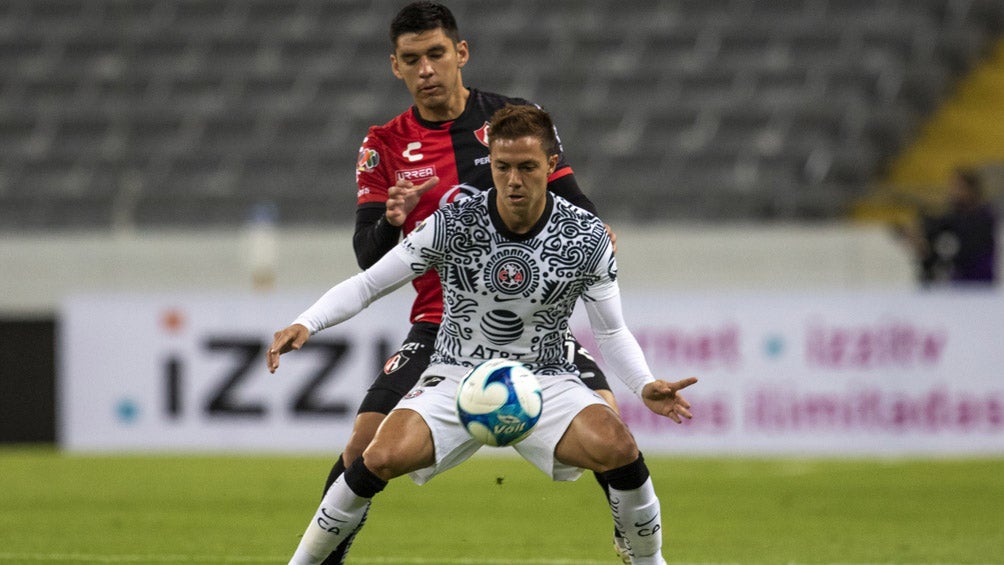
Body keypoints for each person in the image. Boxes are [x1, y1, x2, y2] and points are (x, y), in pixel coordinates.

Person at [268, 104, 696, 565]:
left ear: (551, 165)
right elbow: (371, 282)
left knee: (620, 448)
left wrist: (645, 384)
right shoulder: (453, 222)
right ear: (490, 162)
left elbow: (610, 332)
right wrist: (307, 321)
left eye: (527, 167)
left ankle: (647, 559)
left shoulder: (587, 237)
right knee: (378, 457)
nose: (513, 180)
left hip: (546, 375)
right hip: (455, 371)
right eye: (502, 167)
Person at [323, 2, 624, 562]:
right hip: (442, 326)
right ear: (396, 67)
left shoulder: (515, 120)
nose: (426, 70)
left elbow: (573, 201)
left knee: (608, 422)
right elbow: (368, 257)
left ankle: (631, 538)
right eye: (412, 60)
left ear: (460, 53)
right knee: (363, 448)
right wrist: (390, 220)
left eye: (436, 54)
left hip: (532, 322)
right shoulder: (384, 145)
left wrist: (596, 230)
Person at [897, 167, 997, 287]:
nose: (953, 191)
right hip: (958, 283)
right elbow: (935, 228)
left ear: (971, 189)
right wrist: (920, 238)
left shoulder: (984, 215)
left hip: (979, 283)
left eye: (958, 187)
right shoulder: (954, 214)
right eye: (952, 187)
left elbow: (965, 245)